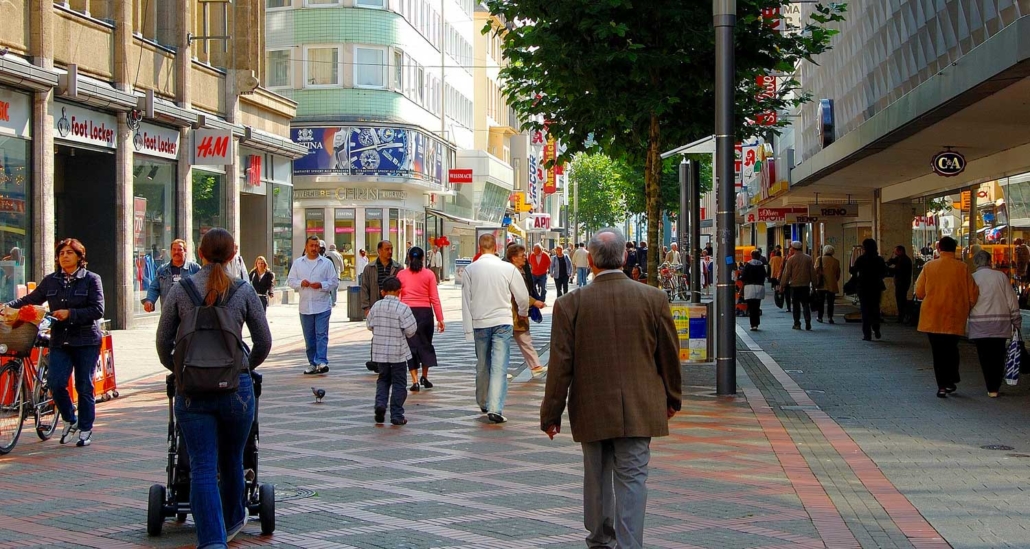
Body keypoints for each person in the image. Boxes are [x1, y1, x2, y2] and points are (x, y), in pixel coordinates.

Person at [540, 227, 682, 549]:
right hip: (640, 405)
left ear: (589, 261)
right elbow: (668, 355)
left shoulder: (569, 304)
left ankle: (601, 540)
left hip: (590, 405)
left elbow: (560, 365)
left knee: (597, 477)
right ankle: (630, 544)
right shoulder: (654, 298)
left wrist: (551, 414)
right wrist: (672, 397)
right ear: (624, 257)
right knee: (633, 479)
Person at [155, 228, 271, 548]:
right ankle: (233, 519)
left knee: (202, 465)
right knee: (233, 458)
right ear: (234, 254)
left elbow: (163, 342)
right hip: (236, 389)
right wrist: (243, 369)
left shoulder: (182, 290)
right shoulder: (244, 290)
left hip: (192, 391)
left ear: (200, 254)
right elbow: (263, 341)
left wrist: (180, 372)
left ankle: (212, 542)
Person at [4, 238, 104, 447]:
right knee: (56, 383)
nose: (64, 256)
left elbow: (97, 310)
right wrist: (6, 306)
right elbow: (30, 300)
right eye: (61, 253)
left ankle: (86, 428)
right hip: (60, 340)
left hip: (86, 340)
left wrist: (70, 313)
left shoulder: (92, 279)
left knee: (84, 385)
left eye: (69, 252)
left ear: (79, 256)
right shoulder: (51, 280)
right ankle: (70, 418)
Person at [461, 233, 530, 423]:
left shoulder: (470, 270)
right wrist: (523, 312)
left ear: (479, 247)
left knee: (482, 364)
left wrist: (468, 329)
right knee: (499, 366)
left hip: (480, 322)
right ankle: (495, 408)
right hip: (502, 321)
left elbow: (466, 301)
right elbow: (522, 296)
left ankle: (483, 401)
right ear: (496, 247)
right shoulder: (507, 268)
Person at [915, 236, 979, 398]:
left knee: (938, 352)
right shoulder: (962, 268)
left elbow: (919, 292)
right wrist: (966, 307)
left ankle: (942, 385)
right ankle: (951, 379)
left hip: (932, 316)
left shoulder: (929, 266)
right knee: (951, 348)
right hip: (954, 315)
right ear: (955, 249)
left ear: (939, 249)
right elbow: (973, 294)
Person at [968, 250, 1021, 398]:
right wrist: (1016, 319)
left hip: (979, 324)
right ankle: (995, 387)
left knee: (984, 356)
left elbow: (967, 301)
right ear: (990, 261)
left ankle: (990, 387)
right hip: (1000, 323)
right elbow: (1011, 299)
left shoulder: (972, 278)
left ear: (975, 263)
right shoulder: (1000, 276)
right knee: (998, 355)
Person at [367, 276, 418, 426]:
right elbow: (411, 330)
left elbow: (369, 325)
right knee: (399, 383)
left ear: (383, 292)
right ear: (399, 291)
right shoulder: (403, 308)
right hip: (398, 353)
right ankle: (397, 415)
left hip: (380, 352)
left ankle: (380, 405)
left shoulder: (376, 306)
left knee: (383, 380)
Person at [287, 236, 339, 375]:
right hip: (305, 306)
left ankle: (321, 361)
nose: (314, 248)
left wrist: (322, 285)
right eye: (311, 245)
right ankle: (312, 362)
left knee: (321, 334)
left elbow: (334, 282)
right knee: (309, 337)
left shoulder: (326, 263)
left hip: (322, 305)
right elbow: (290, 281)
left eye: (316, 245)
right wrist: (300, 283)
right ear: (306, 247)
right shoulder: (298, 263)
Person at [397, 247, 444, 392]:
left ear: (409, 258)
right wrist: (440, 318)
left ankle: (415, 381)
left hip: (407, 312)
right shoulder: (429, 274)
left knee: (410, 347)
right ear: (424, 258)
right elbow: (434, 298)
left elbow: (398, 297)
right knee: (425, 344)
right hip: (425, 313)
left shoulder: (401, 274)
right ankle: (425, 376)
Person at [506, 244, 548, 378]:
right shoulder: (512, 271)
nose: (525, 257)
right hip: (512, 312)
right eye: (522, 255)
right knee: (503, 343)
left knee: (523, 339)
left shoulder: (520, 269)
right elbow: (519, 294)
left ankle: (536, 367)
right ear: (513, 258)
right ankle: (499, 371)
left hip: (515, 311)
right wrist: (533, 302)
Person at [142, 238, 201, 313]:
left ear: (185, 251)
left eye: (180, 249)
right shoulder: (162, 270)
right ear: (171, 251)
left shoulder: (194, 268)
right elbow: (154, 288)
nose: (176, 252)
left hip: (189, 314)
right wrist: (150, 300)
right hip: (168, 313)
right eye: (174, 249)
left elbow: (203, 287)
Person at [850, 239, 887, 341]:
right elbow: (884, 272)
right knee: (875, 308)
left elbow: (853, 270)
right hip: (876, 287)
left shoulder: (861, 259)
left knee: (865, 310)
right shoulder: (879, 259)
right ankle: (876, 327)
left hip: (863, 288)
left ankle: (867, 334)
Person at [779, 241, 816, 330]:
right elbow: (812, 272)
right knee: (805, 304)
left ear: (793, 248)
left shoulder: (791, 259)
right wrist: (815, 284)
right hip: (805, 285)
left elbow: (786, 274)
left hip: (794, 286)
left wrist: (782, 285)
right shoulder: (808, 258)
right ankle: (808, 322)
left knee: (796, 305)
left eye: (791, 247)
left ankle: (797, 323)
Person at [360, 241, 403, 316]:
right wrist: (366, 308)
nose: (390, 251)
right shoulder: (369, 268)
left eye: (391, 249)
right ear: (379, 251)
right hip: (375, 308)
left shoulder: (398, 268)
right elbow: (364, 288)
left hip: (394, 308)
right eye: (387, 249)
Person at [814, 245, 841, 324]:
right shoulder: (836, 261)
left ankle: (820, 317)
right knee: (831, 302)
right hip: (832, 284)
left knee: (821, 301)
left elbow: (815, 270)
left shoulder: (819, 259)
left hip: (822, 284)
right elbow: (838, 274)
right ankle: (830, 317)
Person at [741, 249, 767, 330]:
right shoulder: (761, 265)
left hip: (749, 288)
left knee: (751, 306)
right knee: (757, 305)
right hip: (759, 287)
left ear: (751, 256)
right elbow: (764, 275)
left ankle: (753, 324)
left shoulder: (748, 265)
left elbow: (743, 276)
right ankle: (756, 322)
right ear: (759, 256)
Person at [887, 245, 913, 323]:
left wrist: (886, 269)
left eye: (896, 251)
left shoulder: (904, 260)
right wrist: (890, 260)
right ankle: (902, 315)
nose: (895, 253)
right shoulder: (900, 259)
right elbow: (892, 261)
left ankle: (902, 316)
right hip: (901, 282)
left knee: (901, 299)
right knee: (900, 299)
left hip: (902, 283)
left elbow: (896, 270)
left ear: (900, 251)